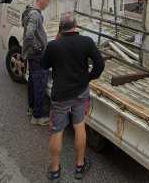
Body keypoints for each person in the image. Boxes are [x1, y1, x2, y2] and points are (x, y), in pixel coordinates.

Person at [40, 15, 105, 180]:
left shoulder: (54, 45)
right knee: (79, 126)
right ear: (76, 27)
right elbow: (100, 64)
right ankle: (79, 166)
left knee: (57, 130)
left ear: (61, 29)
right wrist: (89, 77)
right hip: (80, 92)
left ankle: (55, 170)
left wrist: (55, 40)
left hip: (60, 94)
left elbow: (43, 65)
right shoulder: (86, 42)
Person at [22, 0, 51, 126]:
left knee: (33, 82)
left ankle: (31, 108)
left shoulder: (30, 12)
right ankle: (38, 116)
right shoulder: (35, 15)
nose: (47, 6)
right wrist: (38, 48)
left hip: (32, 55)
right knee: (40, 85)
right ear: (43, 2)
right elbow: (29, 35)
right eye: (47, 3)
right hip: (37, 55)